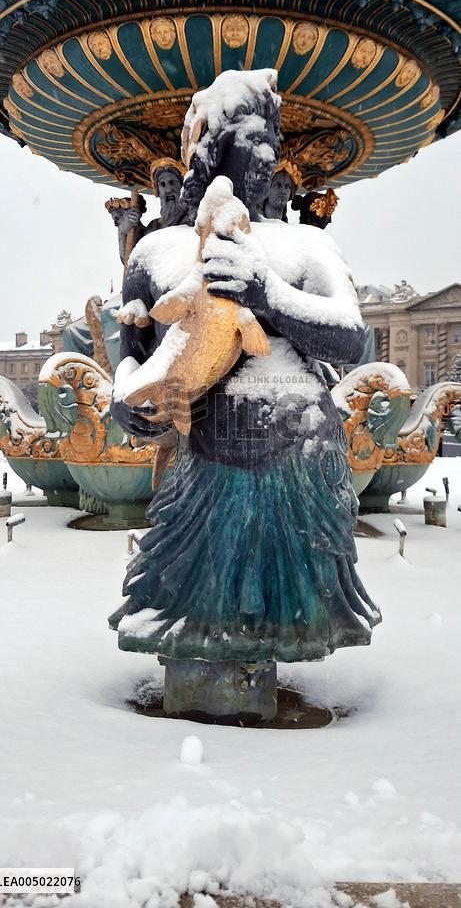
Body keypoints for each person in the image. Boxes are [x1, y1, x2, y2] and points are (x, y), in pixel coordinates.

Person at [109, 68, 381, 667]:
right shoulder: (156, 255)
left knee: (284, 622)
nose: (264, 158)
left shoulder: (306, 248)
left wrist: (268, 295)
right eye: (250, 140)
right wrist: (142, 411)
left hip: (298, 462)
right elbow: (130, 367)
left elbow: (352, 339)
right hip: (206, 466)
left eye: (269, 144)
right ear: (207, 148)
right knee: (198, 628)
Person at [105, 158, 184, 264]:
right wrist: (130, 225)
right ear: (158, 192)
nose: (168, 189)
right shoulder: (154, 227)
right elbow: (131, 260)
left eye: (172, 182)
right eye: (163, 185)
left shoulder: (195, 218)